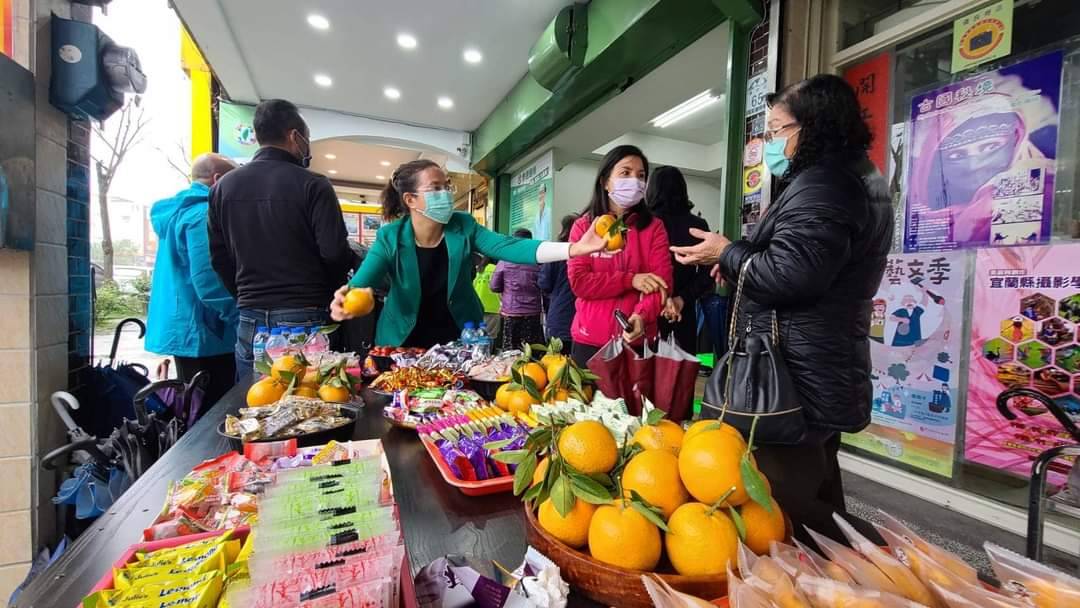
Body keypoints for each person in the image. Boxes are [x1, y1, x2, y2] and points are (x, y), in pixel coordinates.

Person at [670, 74, 893, 547]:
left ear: (812, 126)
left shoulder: (825, 184)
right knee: (820, 494)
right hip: (818, 362)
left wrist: (727, 254)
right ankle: (842, 585)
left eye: (776, 130)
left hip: (793, 377)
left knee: (779, 511)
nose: (770, 143)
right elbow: (801, 259)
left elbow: (793, 275)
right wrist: (738, 260)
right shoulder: (851, 178)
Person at [329, 160, 610, 347]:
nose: (446, 194)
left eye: (447, 186)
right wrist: (347, 295)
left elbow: (509, 247)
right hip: (402, 341)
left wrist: (573, 249)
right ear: (410, 199)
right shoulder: (390, 237)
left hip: (461, 338)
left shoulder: (463, 225)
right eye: (435, 188)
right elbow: (365, 279)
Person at [208, 99, 357, 381]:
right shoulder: (313, 185)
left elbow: (218, 257)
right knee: (311, 409)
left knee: (254, 403)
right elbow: (335, 252)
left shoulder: (222, 188)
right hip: (306, 314)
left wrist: (244, 295)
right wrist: (328, 294)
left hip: (250, 317)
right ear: (294, 136)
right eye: (307, 139)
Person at [145, 153, 239, 406]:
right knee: (212, 412)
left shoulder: (178, 211)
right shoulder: (201, 215)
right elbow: (209, 280)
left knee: (194, 405)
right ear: (218, 179)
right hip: (206, 332)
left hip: (187, 327)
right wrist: (241, 319)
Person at [567, 145, 673, 367]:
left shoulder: (654, 227)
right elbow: (580, 282)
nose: (634, 180)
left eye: (641, 175)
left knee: (637, 403)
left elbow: (662, 283)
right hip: (590, 341)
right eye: (625, 173)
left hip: (638, 341)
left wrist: (642, 317)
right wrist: (631, 279)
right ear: (605, 181)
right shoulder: (584, 227)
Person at [645, 165, 714, 354]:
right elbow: (710, 273)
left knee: (643, 375)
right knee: (681, 375)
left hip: (647, 309)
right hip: (684, 312)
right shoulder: (698, 225)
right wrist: (682, 298)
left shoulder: (644, 224)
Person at [490, 229, 545, 350]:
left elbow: (494, 286)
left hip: (511, 312)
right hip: (533, 312)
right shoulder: (537, 261)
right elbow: (544, 285)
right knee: (532, 350)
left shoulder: (504, 260)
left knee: (510, 350)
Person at [538, 214, 578, 348]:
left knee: (557, 363)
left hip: (560, 318)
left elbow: (544, 283)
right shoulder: (588, 252)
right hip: (583, 321)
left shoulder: (555, 253)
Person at [472, 255, 502, 341]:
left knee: (478, 335)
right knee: (490, 336)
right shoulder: (495, 269)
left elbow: (473, 285)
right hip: (493, 307)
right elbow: (498, 288)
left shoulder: (479, 269)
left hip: (478, 305)